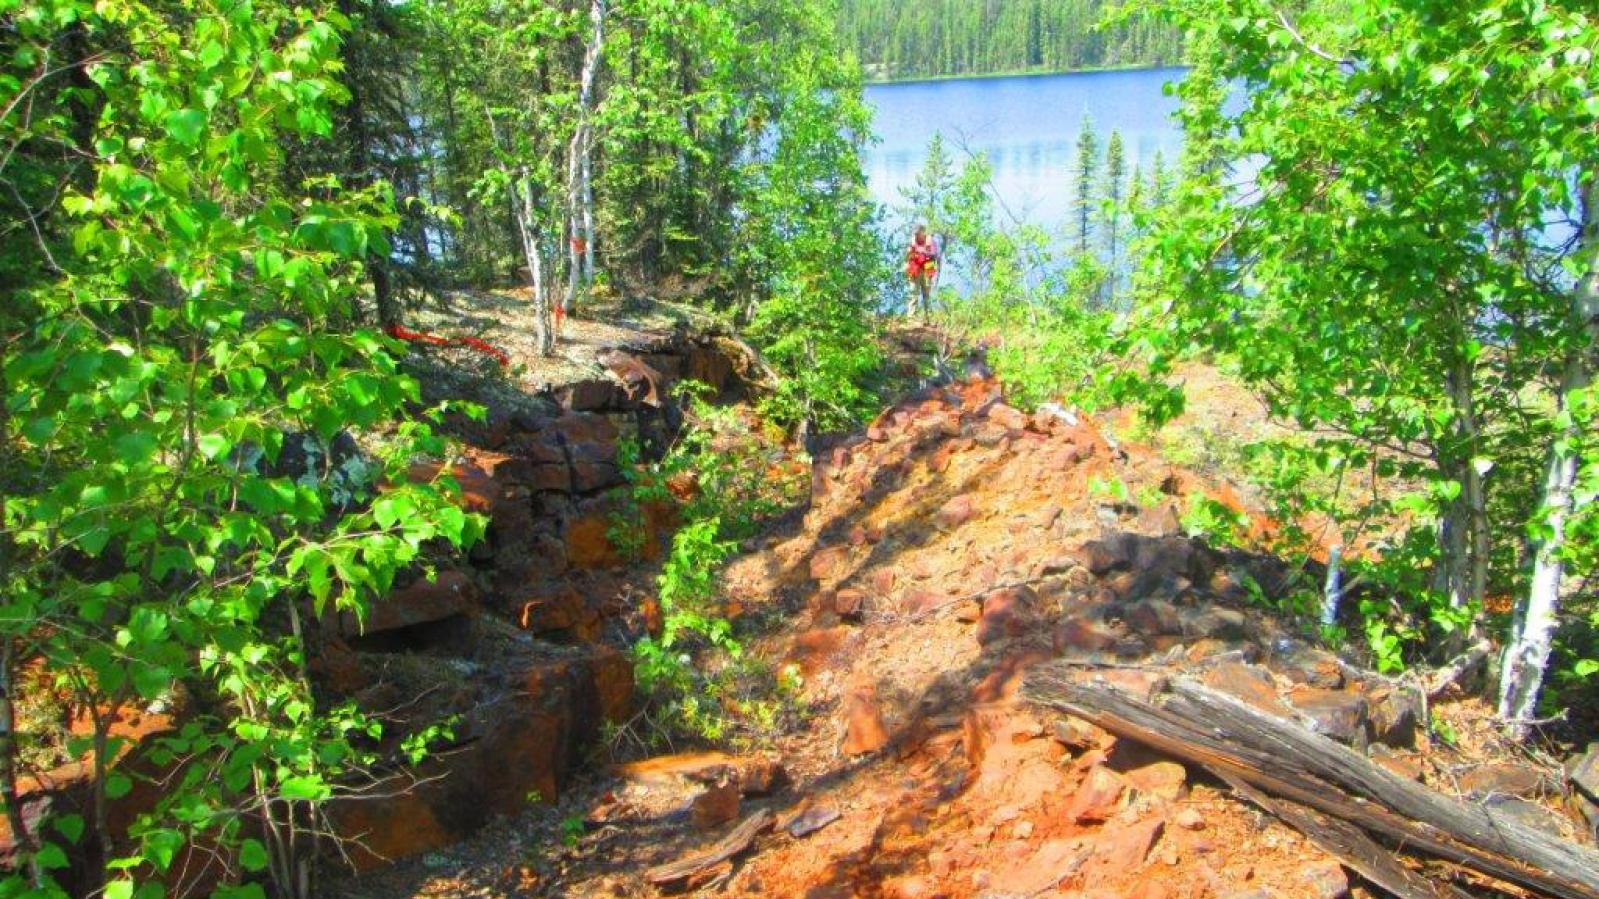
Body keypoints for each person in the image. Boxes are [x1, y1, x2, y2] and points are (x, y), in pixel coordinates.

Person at [905, 225, 939, 317]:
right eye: (915, 233)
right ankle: (911, 315)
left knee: (926, 293)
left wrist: (932, 272)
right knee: (913, 291)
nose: (916, 235)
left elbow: (934, 256)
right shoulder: (912, 241)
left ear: (923, 232)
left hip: (927, 268)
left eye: (918, 233)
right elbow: (908, 256)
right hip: (915, 268)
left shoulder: (931, 242)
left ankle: (928, 316)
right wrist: (907, 264)